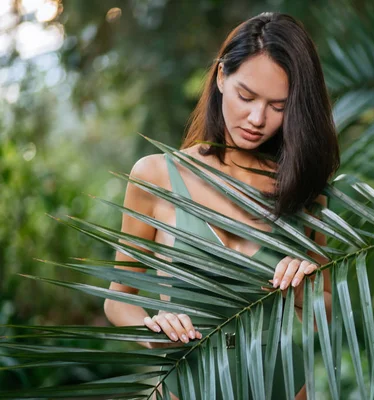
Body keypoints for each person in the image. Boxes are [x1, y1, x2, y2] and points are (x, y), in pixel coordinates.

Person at [104, 11, 339, 400]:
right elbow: (118, 298)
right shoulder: (157, 176)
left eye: (278, 106)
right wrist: (152, 330)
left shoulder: (304, 191)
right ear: (220, 78)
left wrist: (304, 290)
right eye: (246, 96)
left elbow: (327, 311)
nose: (256, 118)